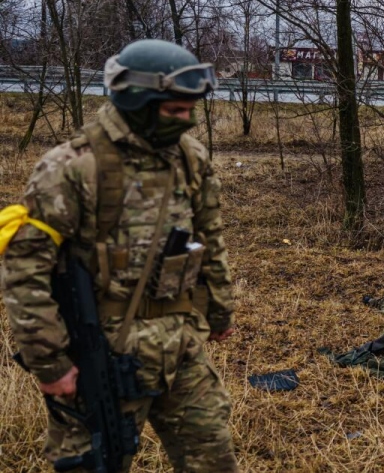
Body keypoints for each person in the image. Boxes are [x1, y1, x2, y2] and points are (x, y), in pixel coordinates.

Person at [1, 40, 239, 472]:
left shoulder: (190, 158)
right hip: (104, 355)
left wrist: (220, 311)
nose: (186, 120)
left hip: (179, 345)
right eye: (174, 110)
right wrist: (50, 362)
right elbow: (25, 272)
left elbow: (210, 238)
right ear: (137, 103)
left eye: (190, 109)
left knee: (213, 460)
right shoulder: (72, 167)